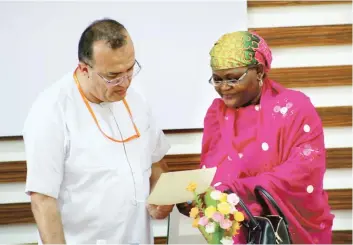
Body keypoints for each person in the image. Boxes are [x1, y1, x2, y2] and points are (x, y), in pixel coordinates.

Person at [23, 18, 174, 244]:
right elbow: (42, 199)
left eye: (130, 69)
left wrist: (162, 195)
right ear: (84, 69)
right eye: (113, 76)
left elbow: (155, 162)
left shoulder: (136, 100)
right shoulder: (51, 110)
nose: (125, 82)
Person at [178, 31, 334, 244]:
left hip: (288, 231)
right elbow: (214, 174)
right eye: (217, 79)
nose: (224, 87)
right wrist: (199, 198)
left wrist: (234, 191)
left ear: (259, 71)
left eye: (233, 78)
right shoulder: (216, 114)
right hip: (235, 231)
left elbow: (303, 173)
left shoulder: (294, 108)